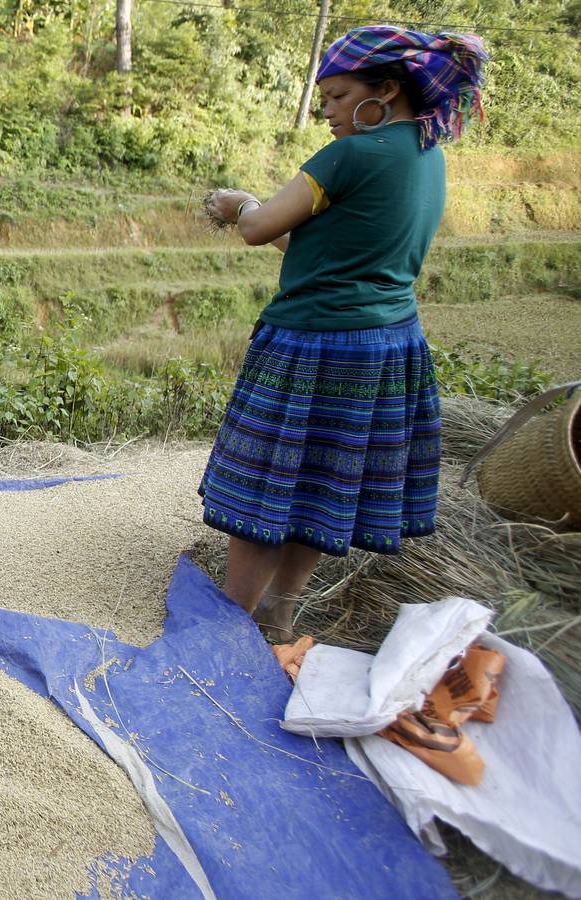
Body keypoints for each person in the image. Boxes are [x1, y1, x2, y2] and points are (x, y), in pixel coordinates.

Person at [200, 27, 488, 640]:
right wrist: (259, 217)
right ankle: (281, 612)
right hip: (386, 346)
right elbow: (316, 249)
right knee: (318, 485)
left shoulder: (349, 156)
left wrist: (238, 203)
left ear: (385, 90)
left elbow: (258, 229)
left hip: (315, 344)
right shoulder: (428, 156)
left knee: (265, 487)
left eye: (337, 96)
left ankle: (227, 629)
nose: (328, 112)